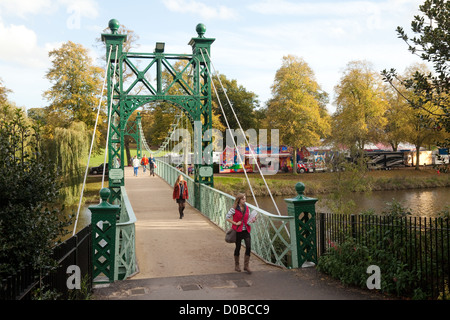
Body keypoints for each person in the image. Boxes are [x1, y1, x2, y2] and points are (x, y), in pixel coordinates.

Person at [226, 193, 254, 274]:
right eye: (243, 199)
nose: (245, 200)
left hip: (246, 230)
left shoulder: (247, 207)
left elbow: (248, 217)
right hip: (238, 230)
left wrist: (253, 219)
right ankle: (237, 265)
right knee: (238, 247)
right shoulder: (234, 209)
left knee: (248, 247)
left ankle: (246, 266)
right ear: (239, 200)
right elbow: (227, 217)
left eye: (245, 199)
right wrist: (235, 223)